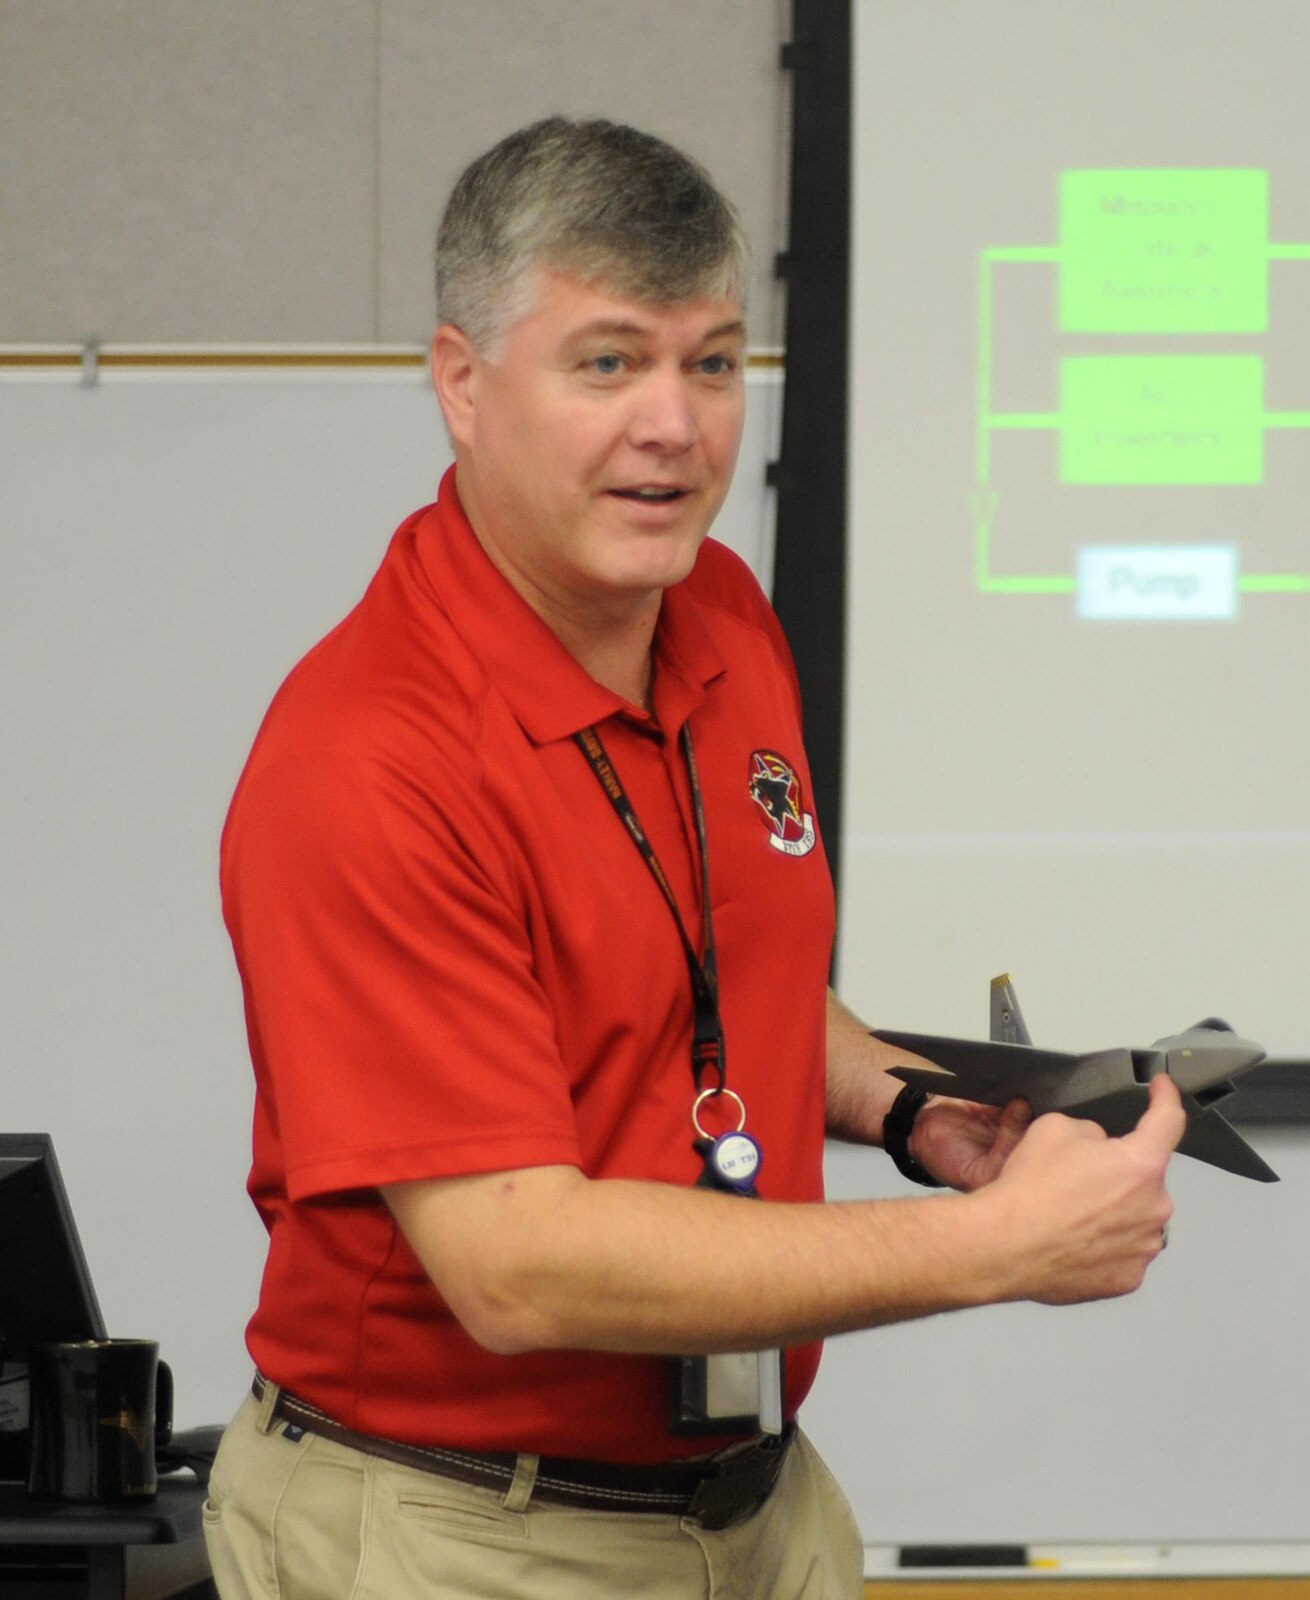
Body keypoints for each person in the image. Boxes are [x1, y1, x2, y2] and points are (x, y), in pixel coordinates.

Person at [202, 116, 1182, 1600]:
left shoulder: (717, 609)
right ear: (462, 386)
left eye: (713, 363)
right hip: (460, 1534)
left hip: (755, 1505)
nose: (675, 424)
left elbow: (726, 985)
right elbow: (516, 1263)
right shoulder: (370, 759)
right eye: (608, 363)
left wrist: (914, 1115)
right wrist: (991, 1246)